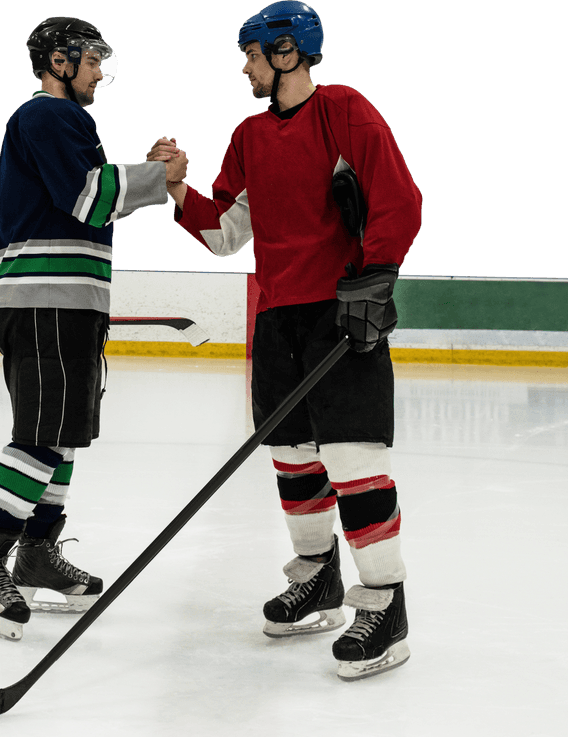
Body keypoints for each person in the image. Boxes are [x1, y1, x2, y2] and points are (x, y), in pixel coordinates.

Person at [147, 1, 422, 680]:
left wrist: (374, 279)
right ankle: (317, 577)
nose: (244, 68)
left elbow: (399, 199)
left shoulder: (344, 112)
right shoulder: (246, 137)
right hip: (277, 319)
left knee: (354, 460)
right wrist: (180, 190)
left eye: (251, 55)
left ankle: (386, 606)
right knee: (293, 458)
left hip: (340, 311)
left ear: (287, 52)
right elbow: (226, 235)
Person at [0, 16, 189, 640]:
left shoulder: (65, 122)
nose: (98, 71)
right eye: (90, 59)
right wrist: (160, 177)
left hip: (69, 300)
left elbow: (85, 202)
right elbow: (88, 195)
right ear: (59, 62)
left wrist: (142, 180)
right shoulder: (48, 117)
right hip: (47, 301)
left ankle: (35, 554)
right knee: (40, 433)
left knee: (62, 432)